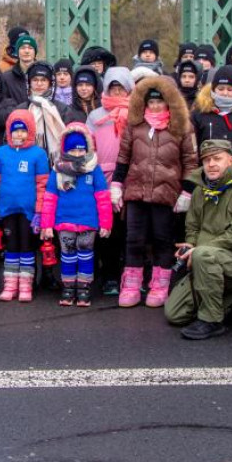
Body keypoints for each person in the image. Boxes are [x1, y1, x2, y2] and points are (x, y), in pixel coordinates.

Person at [164, 140, 232, 339]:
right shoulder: (201, 189)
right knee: (174, 314)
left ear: (231, 160)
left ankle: (211, 320)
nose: (211, 164)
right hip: (208, 260)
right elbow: (192, 225)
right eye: (207, 160)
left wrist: (199, 250)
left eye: (217, 159)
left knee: (204, 255)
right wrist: (190, 244)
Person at [111, 76, 199, 308]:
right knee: (134, 239)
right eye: (151, 102)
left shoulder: (182, 126)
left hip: (166, 192)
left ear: (169, 102)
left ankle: (160, 286)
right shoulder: (135, 124)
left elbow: (191, 162)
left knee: (163, 240)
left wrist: (187, 192)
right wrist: (117, 185)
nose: (155, 106)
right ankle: (130, 285)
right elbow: (124, 157)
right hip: (136, 189)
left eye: (160, 101)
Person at [39, 124, 113, 307]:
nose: (78, 154)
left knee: (86, 255)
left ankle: (84, 288)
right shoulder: (57, 170)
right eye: (73, 149)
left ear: (87, 149)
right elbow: (49, 199)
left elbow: (103, 198)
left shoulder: (93, 169)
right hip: (64, 221)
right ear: (65, 149)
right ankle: (69, 287)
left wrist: (106, 223)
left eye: (81, 150)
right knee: (68, 255)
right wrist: (46, 225)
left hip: (88, 222)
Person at [0, 110, 50, 302]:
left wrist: (40, 212)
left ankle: (26, 285)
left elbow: (42, 185)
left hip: (29, 212)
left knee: (26, 247)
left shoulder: (38, 154)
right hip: (7, 210)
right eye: (15, 130)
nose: (19, 134)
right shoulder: (1, 153)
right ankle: (10, 284)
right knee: (11, 247)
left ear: (30, 131)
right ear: (9, 131)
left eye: (23, 130)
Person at [86, 66, 133, 296]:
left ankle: (128, 275)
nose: (116, 92)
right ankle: (109, 276)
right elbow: (88, 145)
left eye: (120, 88)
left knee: (128, 230)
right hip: (103, 179)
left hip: (130, 177)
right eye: (112, 87)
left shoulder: (137, 114)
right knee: (108, 230)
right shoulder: (96, 116)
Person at [14, 62, 85, 161]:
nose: (39, 84)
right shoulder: (21, 110)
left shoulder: (62, 109)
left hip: (57, 165)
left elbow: (72, 138)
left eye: (43, 80)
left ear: (50, 83)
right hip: (26, 163)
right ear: (29, 83)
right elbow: (10, 138)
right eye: (35, 80)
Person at [2, 33, 39, 104]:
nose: (26, 51)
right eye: (23, 48)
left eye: (30, 48)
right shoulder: (6, 78)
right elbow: (5, 103)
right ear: (17, 52)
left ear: (35, 52)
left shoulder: (45, 74)